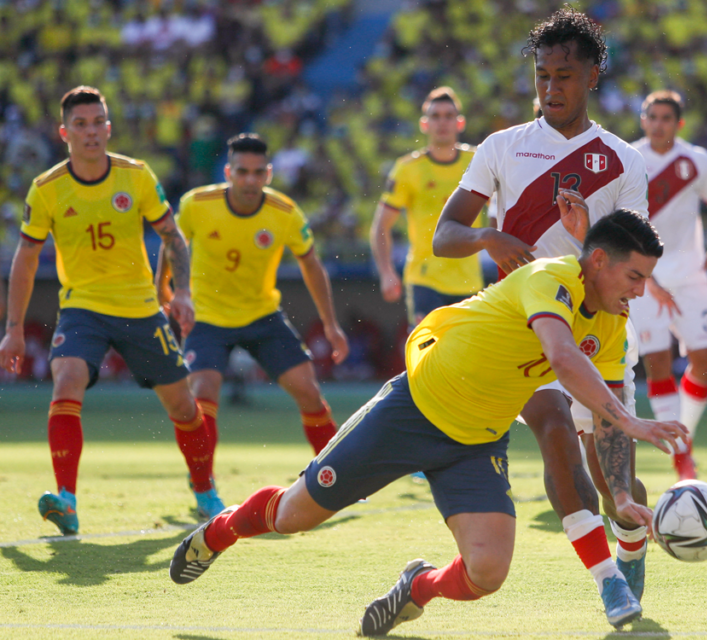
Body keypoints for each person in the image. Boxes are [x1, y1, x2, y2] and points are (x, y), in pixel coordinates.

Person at [169, 211, 686, 636]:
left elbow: (608, 420)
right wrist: (630, 417)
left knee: (487, 574)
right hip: (411, 411)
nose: (640, 292)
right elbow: (563, 356)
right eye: (635, 277)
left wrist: (619, 496)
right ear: (598, 261)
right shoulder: (550, 278)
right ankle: (220, 532)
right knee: (291, 518)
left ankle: (415, 588)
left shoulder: (613, 324)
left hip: (477, 441)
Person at [432, 7, 654, 617]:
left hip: (598, 334)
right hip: (524, 334)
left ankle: (631, 541)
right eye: (543, 76)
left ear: (593, 78)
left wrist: (587, 244)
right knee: (555, 431)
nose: (552, 88)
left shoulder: (622, 162)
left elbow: (634, 266)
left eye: (565, 76)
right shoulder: (502, 148)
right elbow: (445, 233)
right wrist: (487, 239)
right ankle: (607, 578)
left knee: (616, 487)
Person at [0, 86, 220, 534]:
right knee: (66, 377)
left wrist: (181, 293)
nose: (91, 132)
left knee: (183, 406)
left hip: (140, 308)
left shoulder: (136, 176)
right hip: (82, 307)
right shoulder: (46, 190)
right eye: (80, 125)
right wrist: (14, 328)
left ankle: (204, 489)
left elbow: (172, 237)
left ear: (108, 127)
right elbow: (24, 259)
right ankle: (67, 500)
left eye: (98, 122)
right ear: (64, 133)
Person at [157, 133, 349, 480]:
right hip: (208, 318)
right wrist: (164, 290)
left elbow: (311, 265)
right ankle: (204, 485)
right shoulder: (196, 204)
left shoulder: (285, 213)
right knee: (202, 393)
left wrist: (330, 324)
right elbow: (173, 245)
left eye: (257, 173)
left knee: (308, 391)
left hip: (262, 316)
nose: (249, 180)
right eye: (242, 172)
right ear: (228, 172)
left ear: (269, 174)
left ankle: (337, 478)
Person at [629, 90, 707, 480]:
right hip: (643, 275)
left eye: (666, 118)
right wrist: (643, 275)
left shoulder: (697, 160)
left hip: (689, 273)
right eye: (651, 117)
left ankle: (683, 437)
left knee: (705, 357)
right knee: (657, 363)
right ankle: (680, 452)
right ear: (643, 120)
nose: (658, 124)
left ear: (678, 123)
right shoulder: (630, 158)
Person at [370, 87, 483, 328]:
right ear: (424, 124)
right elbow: (382, 224)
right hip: (424, 279)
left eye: (449, 116)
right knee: (427, 353)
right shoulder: (408, 168)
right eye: (435, 116)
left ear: (460, 122)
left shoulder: (479, 161)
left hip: (470, 282)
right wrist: (386, 271)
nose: (442, 122)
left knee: (465, 358)